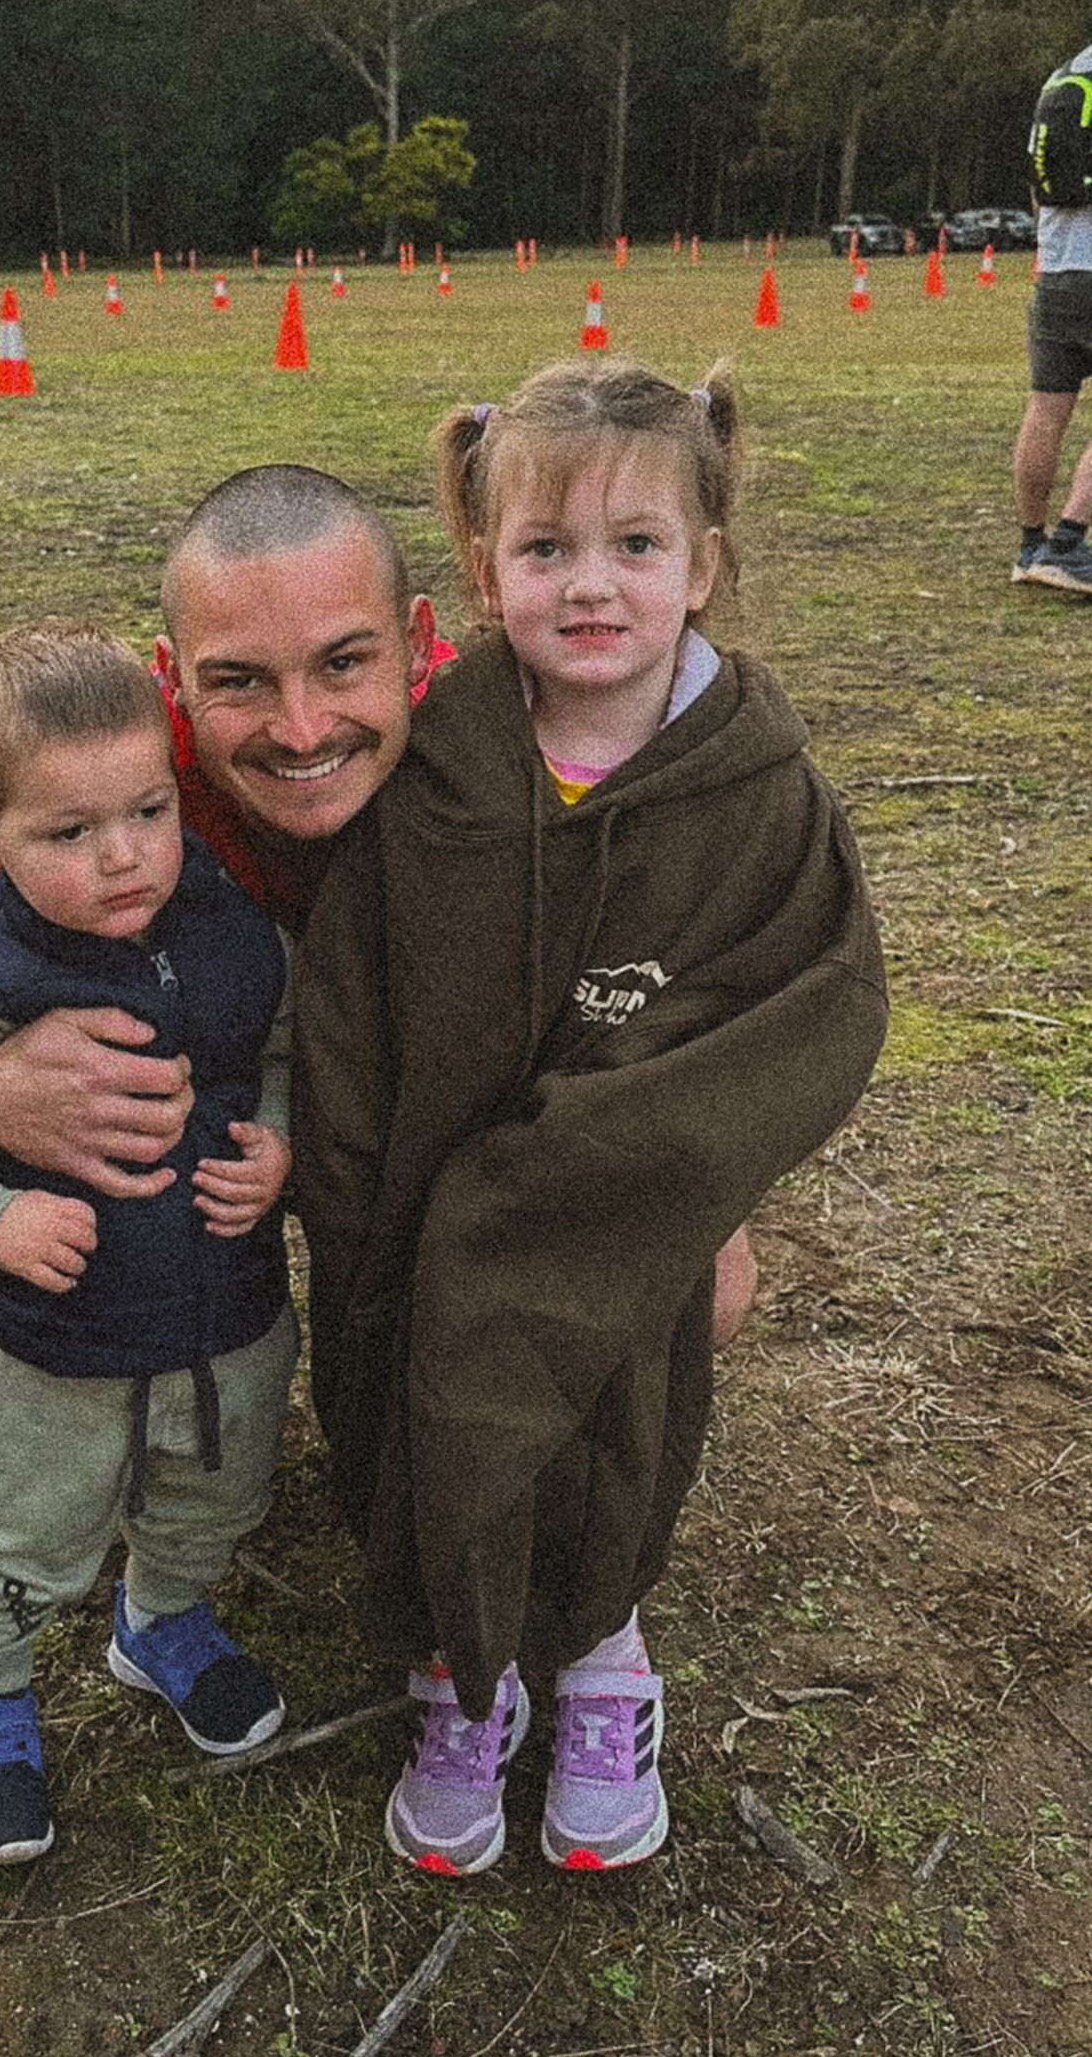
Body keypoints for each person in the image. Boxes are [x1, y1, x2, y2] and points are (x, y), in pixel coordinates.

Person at [291, 359, 889, 1877]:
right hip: (431, 1179)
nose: (590, 586)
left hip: (628, 1182)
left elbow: (807, 994)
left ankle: (601, 1641)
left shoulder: (757, 793)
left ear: (704, 562)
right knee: (428, 1361)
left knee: (621, 1378)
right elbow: (358, 985)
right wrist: (365, 1177)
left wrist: (651, 1156)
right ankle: (455, 1666)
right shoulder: (433, 773)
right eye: (544, 549)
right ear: (482, 569)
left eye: (636, 546)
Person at [0, 467, 759, 1410]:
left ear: (417, 645)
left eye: (342, 664)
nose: (300, 731)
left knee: (708, 1290)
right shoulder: (122, 791)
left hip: (418, 1126)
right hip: (201, 1132)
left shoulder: (515, 770)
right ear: (170, 677)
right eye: (240, 682)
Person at [0, 624, 299, 1864]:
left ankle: (163, 1617)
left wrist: (279, 1142)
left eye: (147, 810)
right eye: (66, 834)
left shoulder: (229, 925)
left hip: (227, 1312)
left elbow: (282, 1048)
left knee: (211, 1491)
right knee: (24, 1524)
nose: (123, 855)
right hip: (55, 1343)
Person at [1013, 39, 1092, 596]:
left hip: (1056, 272)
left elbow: (1040, 195)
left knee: (1045, 411)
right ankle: (1069, 543)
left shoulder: (1059, 82)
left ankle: (1030, 546)